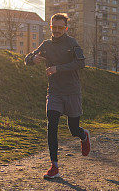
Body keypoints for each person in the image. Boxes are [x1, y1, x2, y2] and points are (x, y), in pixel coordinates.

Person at [25, 13, 90, 179]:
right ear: (51, 27)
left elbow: (81, 62)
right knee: (52, 125)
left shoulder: (72, 43)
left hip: (72, 91)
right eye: (55, 27)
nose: (57, 31)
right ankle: (54, 166)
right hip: (54, 92)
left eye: (61, 28)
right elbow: (27, 59)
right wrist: (34, 59)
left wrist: (58, 68)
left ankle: (83, 136)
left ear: (65, 28)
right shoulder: (46, 45)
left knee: (73, 129)